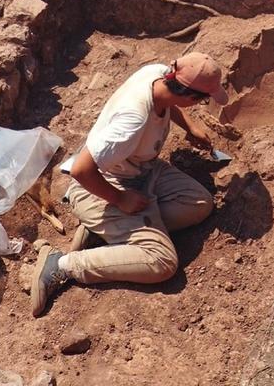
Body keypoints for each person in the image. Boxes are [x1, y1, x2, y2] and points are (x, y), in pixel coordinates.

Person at [31, 52, 229, 317]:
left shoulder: (160, 74)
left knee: (199, 203)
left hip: (142, 170)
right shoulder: (131, 122)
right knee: (162, 262)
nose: (201, 103)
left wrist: (189, 127)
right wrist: (120, 200)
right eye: (203, 99)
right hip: (103, 184)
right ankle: (63, 264)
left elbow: (170, 103)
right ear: (190, 97)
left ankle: (109, 232)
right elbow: (81, 170)